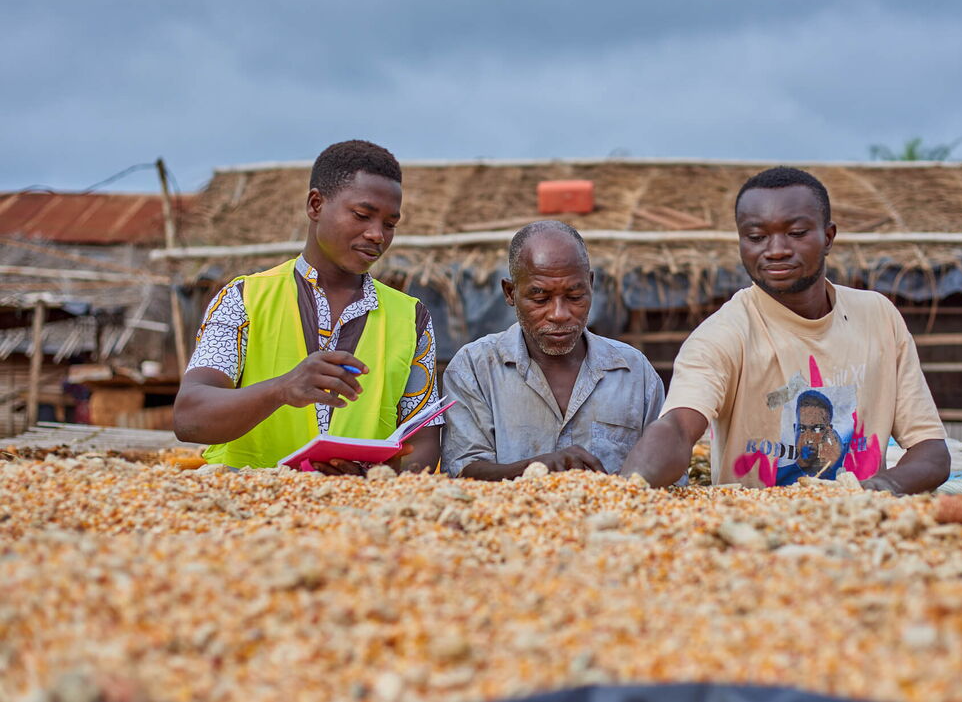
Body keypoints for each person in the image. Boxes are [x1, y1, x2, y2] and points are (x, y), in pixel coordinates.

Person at [620, 166, 950, 493]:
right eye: (756, 237)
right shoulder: (722, 335)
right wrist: (628, 491)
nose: (776, 249)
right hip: (756, 529)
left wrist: (873, 492)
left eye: (795, 233)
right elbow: (677, 427)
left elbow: (931, 453)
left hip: (862, 527)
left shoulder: (878, 317)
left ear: (828, 237)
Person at [173, 140, 442, 474]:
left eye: (390, 224)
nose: (377, 234)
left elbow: (425, 437)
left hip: (360, 516)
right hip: (247, 508)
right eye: (362, 215)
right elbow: (189, 417)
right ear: (315, 205)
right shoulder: (243, 299)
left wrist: (376, 480)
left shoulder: (412, 318)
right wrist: (281, 389)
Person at [441, 221, 665, 480]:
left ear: (590, 285)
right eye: (540, 299)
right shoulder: (474, 368)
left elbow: (664, 469)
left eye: (575, 296)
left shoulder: (634, 371)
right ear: (510, 292)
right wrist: (538, 469)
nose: (559, 314)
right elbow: (463, 471)